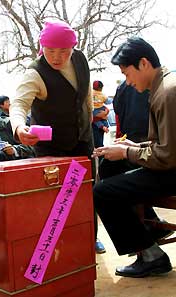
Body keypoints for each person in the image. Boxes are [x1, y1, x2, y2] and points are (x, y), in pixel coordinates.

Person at [9, 20, 105, 254]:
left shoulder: (80, 59)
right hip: (52, 148)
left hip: (83, 140)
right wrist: (20, 128)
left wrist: (89, 118)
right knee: (57, 198)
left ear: (73, 47)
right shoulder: (35, 72)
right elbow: (19, 104)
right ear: (42, 47)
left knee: (86, 190)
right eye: (50, 51)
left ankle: (89, 237)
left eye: (64, 51)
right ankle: (58, 244)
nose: (56, 57)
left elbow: (85, 96)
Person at [92, 36, 176, 278]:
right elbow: (165, 144)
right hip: (169, 163)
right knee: (110, 166)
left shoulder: (168, 92)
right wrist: (134, 146)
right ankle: (151, 227)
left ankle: (152, 256)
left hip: (172, 170)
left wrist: (128, 151)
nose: (127, 82)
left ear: (143, 63)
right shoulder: (163, 86)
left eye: (127, 74)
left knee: (101, 193)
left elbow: (168, 156)